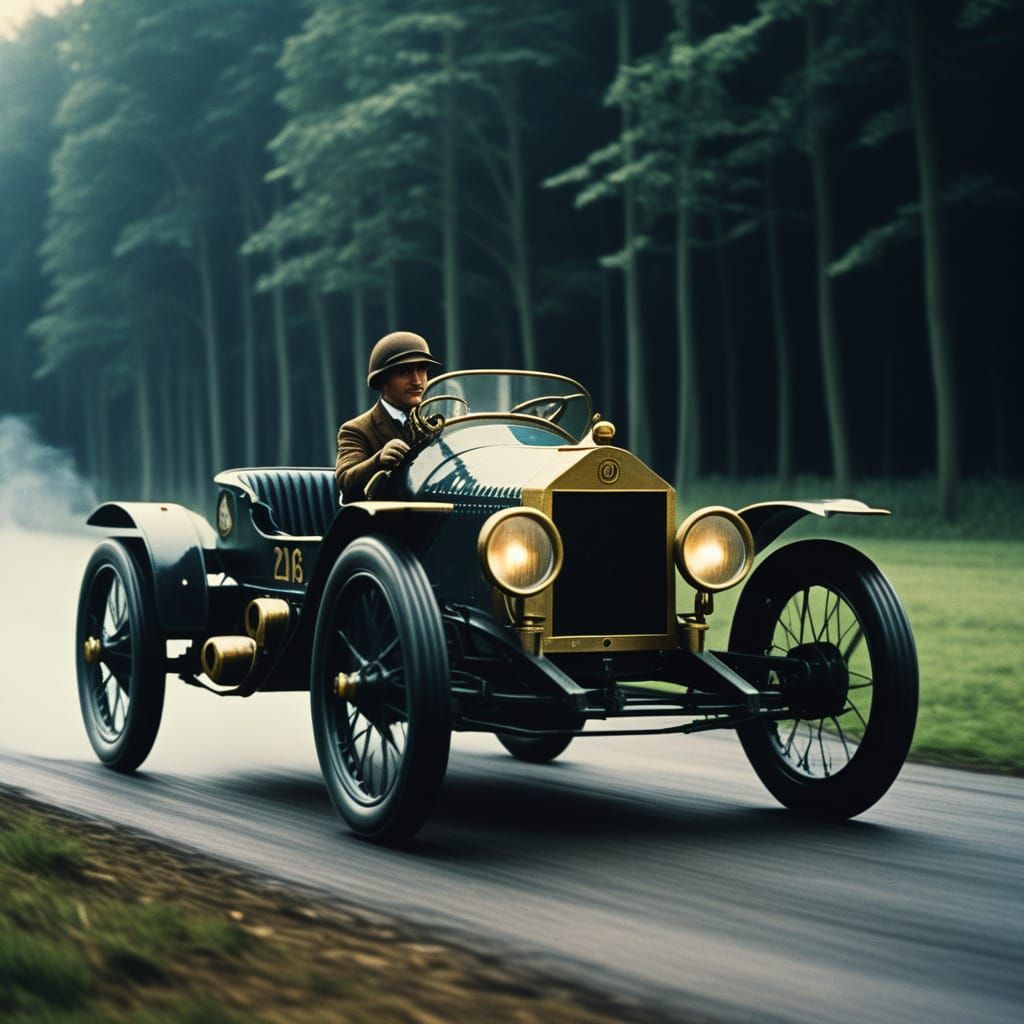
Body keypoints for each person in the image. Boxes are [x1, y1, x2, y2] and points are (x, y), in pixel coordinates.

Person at [335, 331, 442, 502]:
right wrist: (378, 460)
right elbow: (345, 480)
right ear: (382, 381)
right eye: (405, 372)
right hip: (382, 522)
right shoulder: (356, 430)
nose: (417, 381)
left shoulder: (436, 423)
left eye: (422, 369)